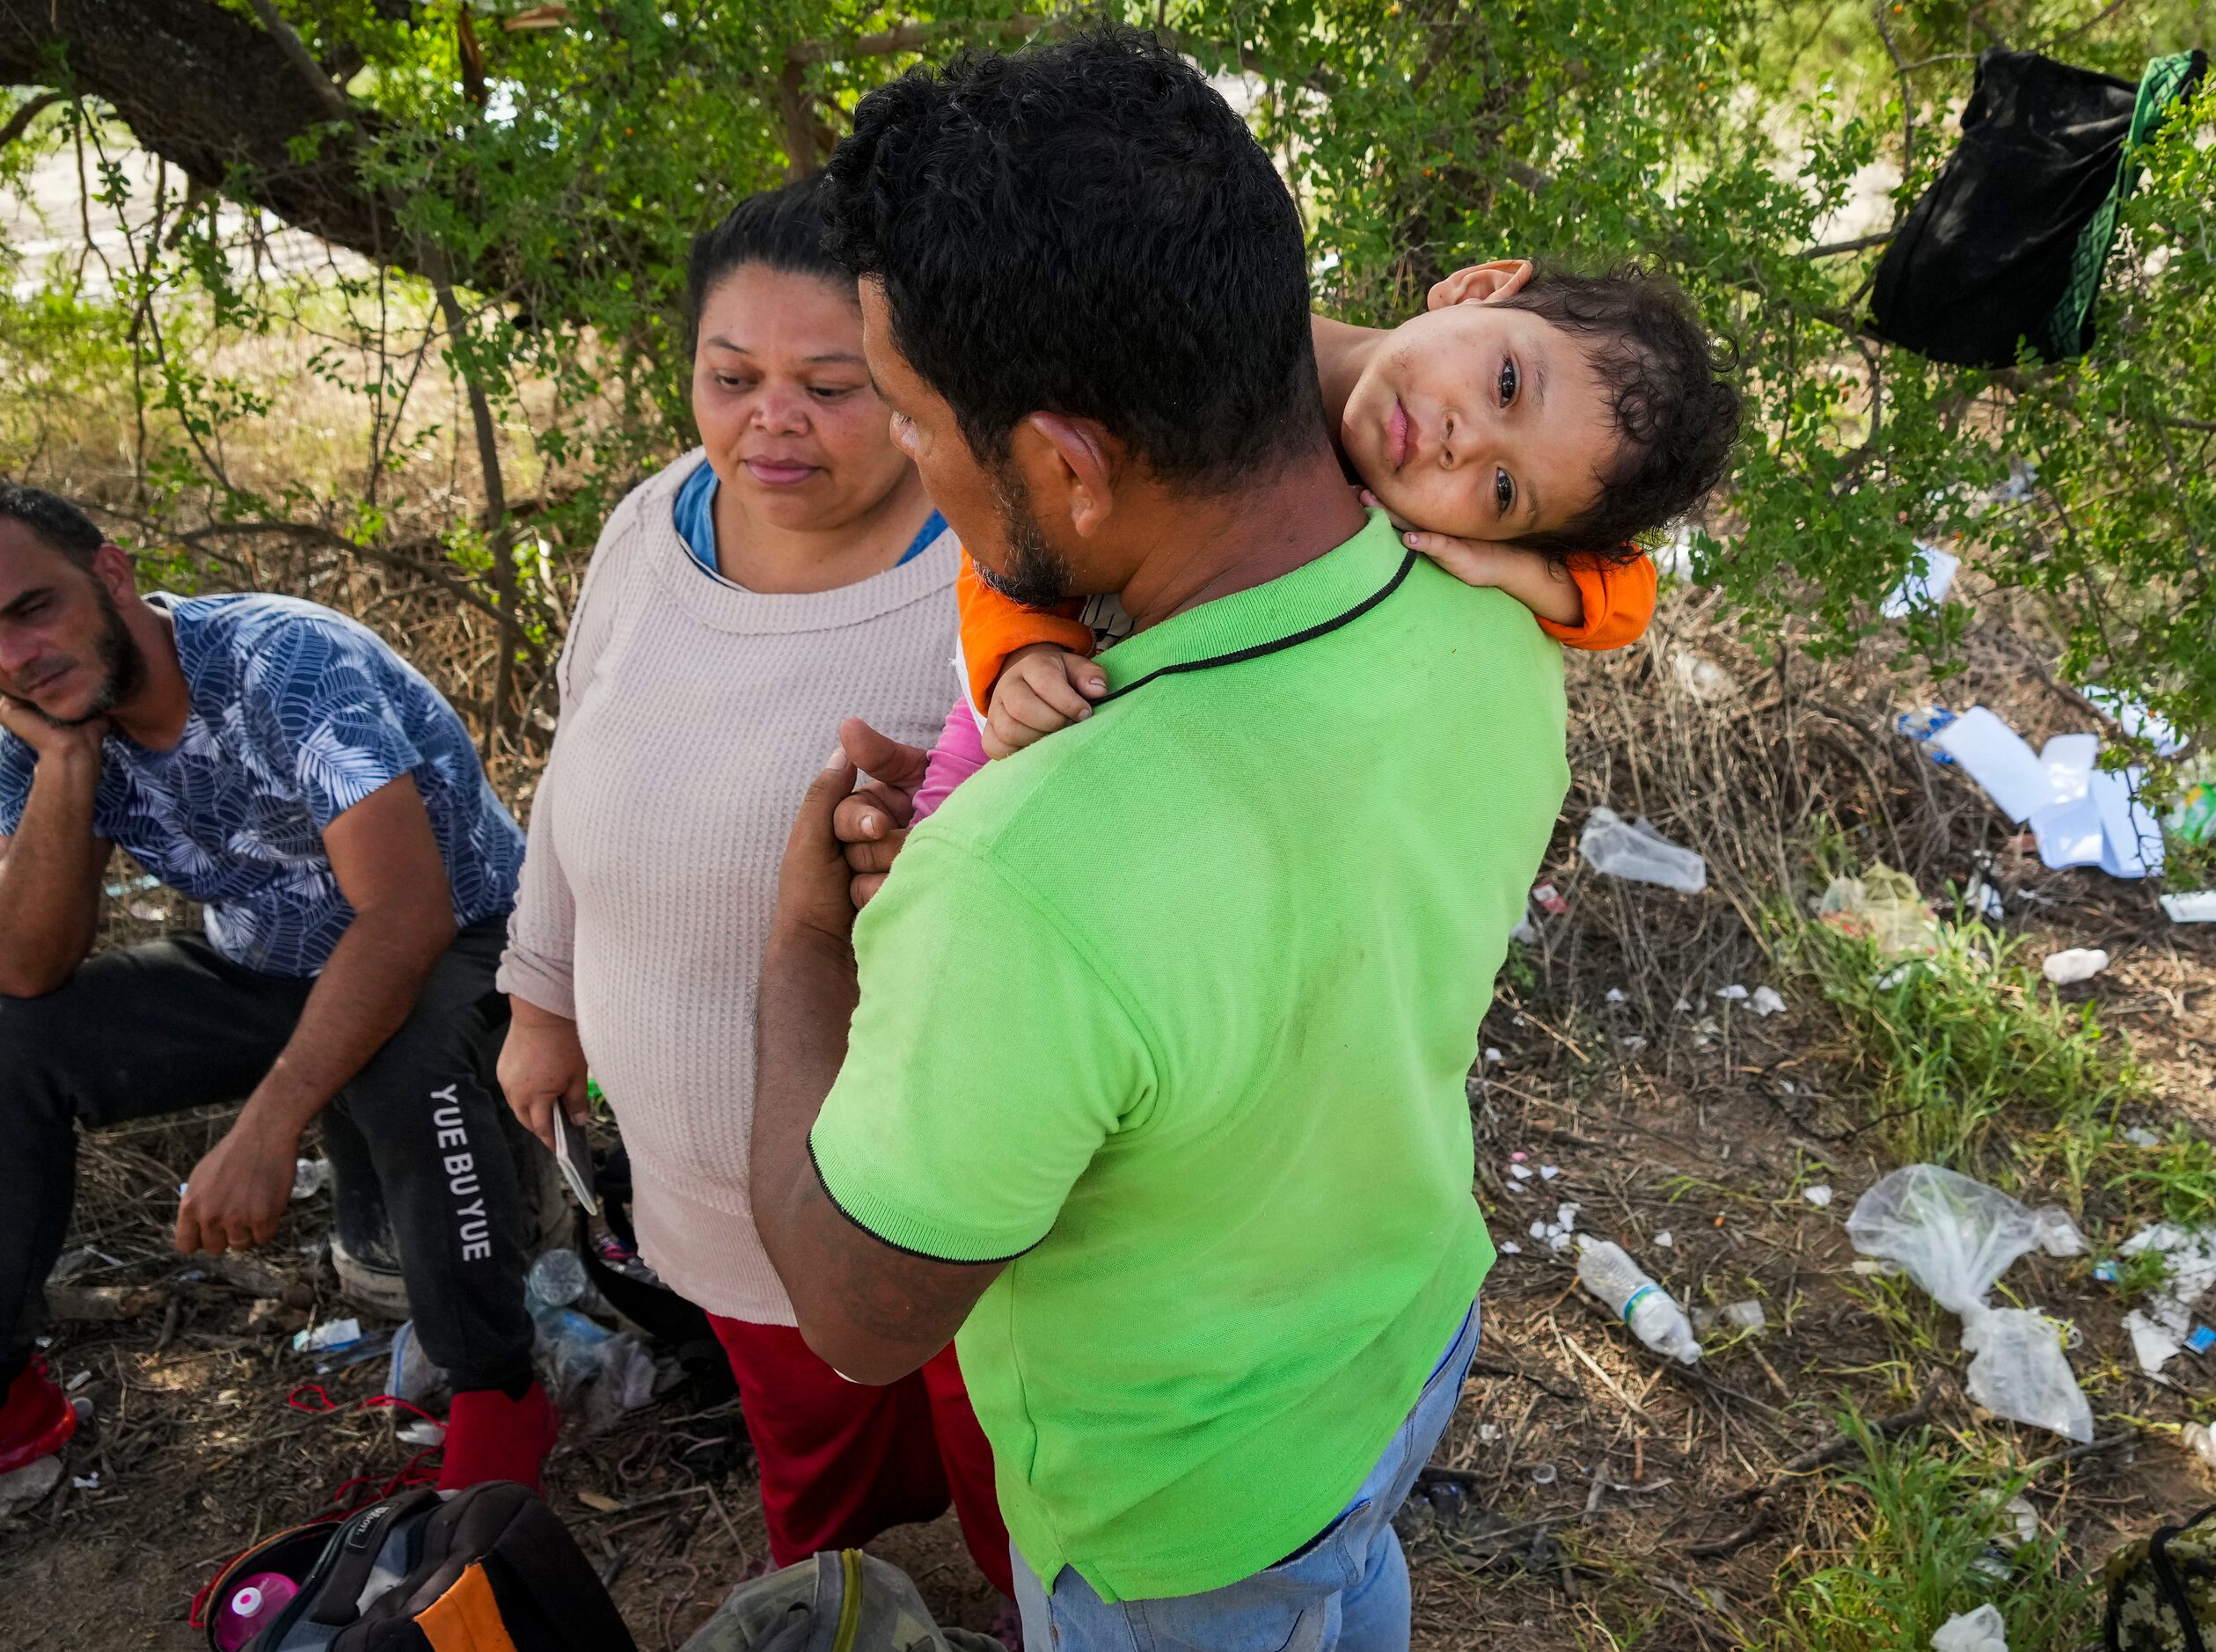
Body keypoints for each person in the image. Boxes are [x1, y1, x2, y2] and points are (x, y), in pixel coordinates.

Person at [750, 29, 1693, 1648]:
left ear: (1062, 461)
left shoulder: (1026, 878)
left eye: (910, 421)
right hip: (1398, 1339)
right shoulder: (1492, 616)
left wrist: (804, 944)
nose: (906, 458)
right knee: (1345, 1574)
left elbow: (857, 1311)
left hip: (1181, 1513)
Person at [489, 181, 1017, 1619]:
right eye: (732, 377)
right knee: (805, 1422)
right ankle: (834, 1601)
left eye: (830, 386)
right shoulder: (655, 522)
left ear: (913, 378)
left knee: (1004, 1443)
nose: (770, 418)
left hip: (930, 1143)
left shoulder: (989, 565)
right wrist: (540, 996)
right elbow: (576, 762)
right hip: (707, 1152)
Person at [0, 483, 546, 1541]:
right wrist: (63, 770)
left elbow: (407, 913)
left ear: (110, 572)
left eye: (30, 610)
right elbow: (20, 969)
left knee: (404, 1063)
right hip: (267, 963)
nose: (13, 657)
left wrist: (266, 1127)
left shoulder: (281, 662)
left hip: (467, 938)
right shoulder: (44, 723)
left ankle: (497, 1391)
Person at [915, 255, 1731, 808]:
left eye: (1504, 488)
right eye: (1507, 384)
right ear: (1476, 286)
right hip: (1011, 715)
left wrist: (1514, 568)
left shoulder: (1375, 499)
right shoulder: (1216, 344)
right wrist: (1018, 653)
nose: (1465, 440)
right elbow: (1011, 515)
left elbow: (1630, 592)